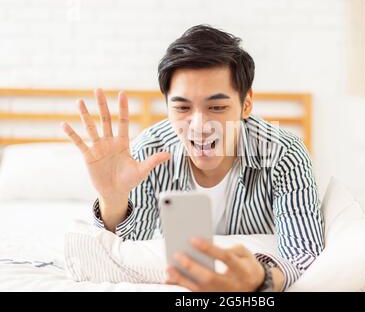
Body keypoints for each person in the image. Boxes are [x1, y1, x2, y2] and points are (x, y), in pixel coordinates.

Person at [62, 24, 324, 292]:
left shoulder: (283, 153)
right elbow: (127, 251)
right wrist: (113, 198)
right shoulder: (149, 151)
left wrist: (260, 280)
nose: (199, 125)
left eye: (217, 107)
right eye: (182, 107)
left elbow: (304, 254)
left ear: (246, 104)